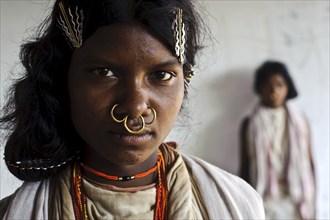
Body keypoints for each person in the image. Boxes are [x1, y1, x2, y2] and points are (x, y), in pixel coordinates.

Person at [0, 0, 264, 219]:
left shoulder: (238, 205)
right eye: (104, 72)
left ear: (186, 79)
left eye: (161, 75)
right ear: (64, 79)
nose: (135, 108)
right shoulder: (15, 213)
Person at [239, 60, 316, 220]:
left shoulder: (301, 122)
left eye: (280, 84)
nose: (274, 90)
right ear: (260, 88)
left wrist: (312, 201)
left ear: (288, 88)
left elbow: (309, 163)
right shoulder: (250, 124)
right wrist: (245, 202)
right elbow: (245, 166)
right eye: (268, 85)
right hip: (265, 201)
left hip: (296, 199)